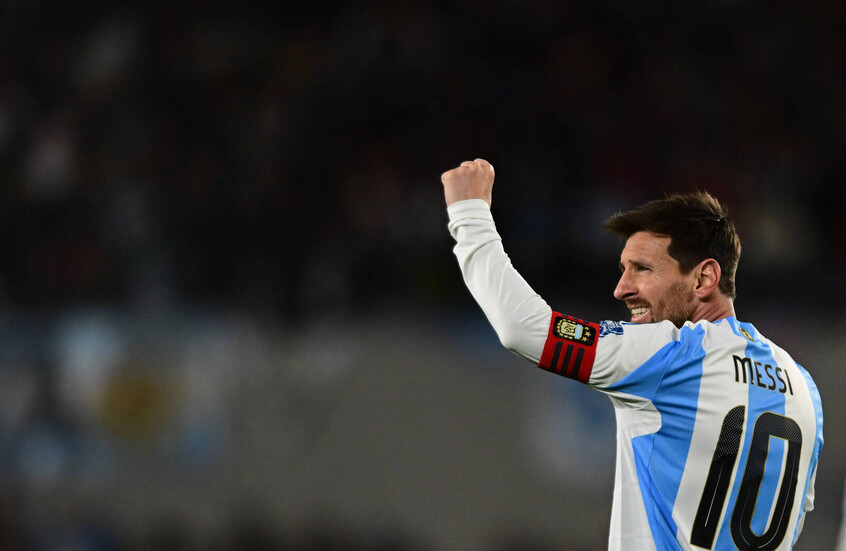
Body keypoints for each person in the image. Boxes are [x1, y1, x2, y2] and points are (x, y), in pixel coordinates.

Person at [441, 158, 823, 551]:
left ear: (704, 278)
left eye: (642, 269)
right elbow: (796, 514)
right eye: (623, 269)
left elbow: (525, 328)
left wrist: (470, 216)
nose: (621, 289)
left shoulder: (671, 354)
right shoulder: (803, 387)